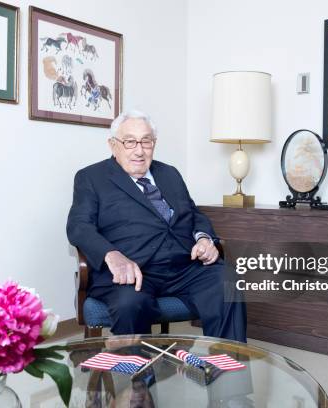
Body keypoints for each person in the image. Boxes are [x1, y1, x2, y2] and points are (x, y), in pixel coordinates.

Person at [67, 110, 246, 342]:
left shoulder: (170, 173)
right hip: (134, 271)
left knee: (226, 282)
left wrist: (204, 238)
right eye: (130, 141)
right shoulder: (91, 177)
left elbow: (193, 213)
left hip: (184, 268)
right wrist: (111, 255)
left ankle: (226, 369)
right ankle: (141, 376)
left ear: (154, 143)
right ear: (113, 145)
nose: (139, 151)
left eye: (146, 141)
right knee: (129, 304)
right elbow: (78, 226)